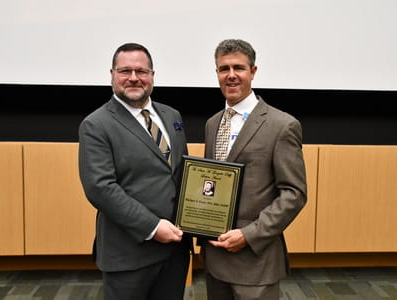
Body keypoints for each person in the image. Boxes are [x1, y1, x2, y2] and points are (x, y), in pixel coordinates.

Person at [78, 42, 190, 300]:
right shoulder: (96, 124)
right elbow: (100, 189)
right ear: (112, 75)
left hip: (174, 250)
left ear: (152, 75)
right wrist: (152, 227)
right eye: (125, 71)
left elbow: (180, 172)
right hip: (128, 254)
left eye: (141, 71)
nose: (133, 78)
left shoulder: (171, 115)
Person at [202, 39, 307, 300]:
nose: (231, 75)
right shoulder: (212, 124)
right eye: (223, 69)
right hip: (215, 256)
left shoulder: (282, 125)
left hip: (255, 260)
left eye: (238, 67)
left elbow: (294, 193)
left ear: (253, 71)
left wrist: (249, 235)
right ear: (217, 74)